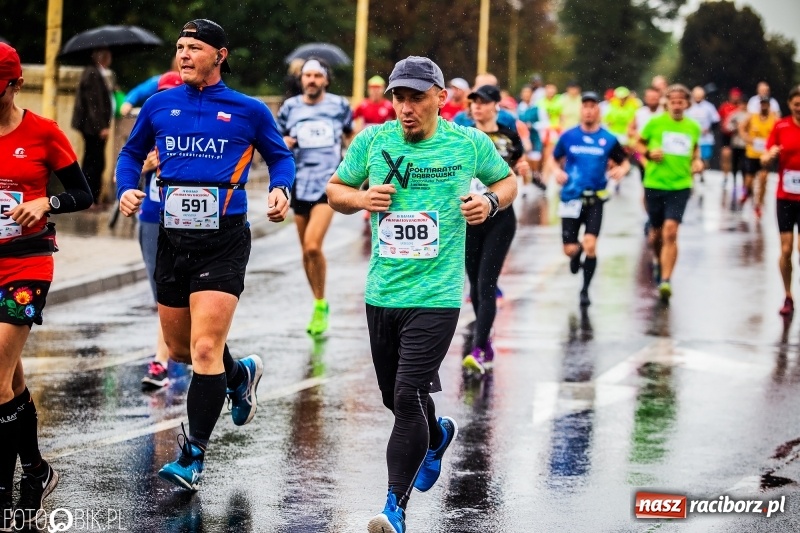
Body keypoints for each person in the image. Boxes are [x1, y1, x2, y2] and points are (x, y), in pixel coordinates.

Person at [326, 56, 517, 533]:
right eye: (398, 97)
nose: (405, 108)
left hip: (436, 297)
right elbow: (335, 190)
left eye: (415, 97)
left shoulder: (467, 142)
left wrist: (489, 201)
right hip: (383, 293)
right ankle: (437, 436)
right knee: (395, 398)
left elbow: (509, 181)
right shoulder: (373, 140)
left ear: (440, 98)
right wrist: (360, 199)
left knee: (408, 395)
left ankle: (394, 506)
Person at [116, 19, 295, 491]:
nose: (184, 54)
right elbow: (129, 154)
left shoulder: (248, 110)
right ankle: (242, 375)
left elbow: (280, 157)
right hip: (173, 238)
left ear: (220, 54)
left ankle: (193, 455)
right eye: (180, 47)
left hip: (224, 238)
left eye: (194, 47)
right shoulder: (159, 105)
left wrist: (280, 189)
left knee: (203, 349)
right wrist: (126, 189)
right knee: (179, 350)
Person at [0, 42, 93, 529]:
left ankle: (3, 490)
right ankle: (36, 470)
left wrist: (46, 205)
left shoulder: (42, 133)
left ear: (15, 84)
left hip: (26, 264)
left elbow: (83, 192)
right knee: (8, 378)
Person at [277, 57, 352, 336]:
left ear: (326, 80)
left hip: (328, 183)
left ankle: (320, 304)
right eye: (307, 76)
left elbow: (349, 137)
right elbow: (276, 142)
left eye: (316, 76)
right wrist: (282, 143)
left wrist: (356, 169)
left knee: (312, 246)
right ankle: (318, 301)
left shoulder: (339, 106)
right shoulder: (289, 109)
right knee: (305, 253)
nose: (311, 80)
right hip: (298, 183)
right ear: (301, 81)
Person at [461, 85, 524, 375]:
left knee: (486, 283)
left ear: (496, 106)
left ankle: (479, 346)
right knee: (474, 285)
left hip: (500, 218)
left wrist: (521, 170)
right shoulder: (462, 137)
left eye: (483, 102)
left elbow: (518, 165)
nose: (477, 107)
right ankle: (485, 340)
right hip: (470, 218)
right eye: (473, 102)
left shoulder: (508, 136)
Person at [546, 91, 629, 307]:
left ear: (598, 111)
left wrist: (622, 170)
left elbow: (624, 161)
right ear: (581, 110)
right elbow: (553, 160)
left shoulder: (608, 139)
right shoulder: (568, 136)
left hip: (595, 199)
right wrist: (556, 172)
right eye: (585, 107)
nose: (589, 110)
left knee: (591, 245)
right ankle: (576, 254)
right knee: (569, 249)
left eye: (593, 106)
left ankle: (585, 290)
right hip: (571, 198)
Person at [137, 71, 184, 390]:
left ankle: (164, 360)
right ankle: (169, 355)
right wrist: (145, 167)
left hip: (185, 221)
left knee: (182, 292)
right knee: (161, 291)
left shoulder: (193, 131)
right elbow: (124, 172)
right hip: (152, 218)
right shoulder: (146, 130)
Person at [635, 84, 704, 302]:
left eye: (680, 101)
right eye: (672, 101)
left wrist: (697, 162)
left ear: (687, 104)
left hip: (680, 185)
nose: (676, 105)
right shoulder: (655, 123)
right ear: (667, 103)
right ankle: (658, 261)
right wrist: (647, 154)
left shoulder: (693, 126)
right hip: (655, 183)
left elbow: (695, 150)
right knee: (655, 234)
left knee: (671, 232)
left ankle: (666, 279)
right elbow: (637, 143)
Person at [760, 86, 800, 316]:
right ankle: (788, 296)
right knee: (785, 250)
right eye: (796, 103)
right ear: (789, 104)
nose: (799, 107)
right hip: (785, 197)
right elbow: (764, 158)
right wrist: (770, 156)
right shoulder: (780, 126)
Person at [71, 47, 113, 205]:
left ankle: (91, 196)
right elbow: (93, 104)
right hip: (92, 128)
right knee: (94, 163)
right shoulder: (92, 73)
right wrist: (100, 126)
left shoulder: (96, 73)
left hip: (92, 127)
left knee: (94, 162)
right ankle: (90, 197)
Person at [740, 96, 779, 218]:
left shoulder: (775, 119)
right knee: (749, 180)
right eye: (762, 104)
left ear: (769, 105)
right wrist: (747, 139)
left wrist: (774, 145)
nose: (764, 106)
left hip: (765, 155)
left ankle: (758, 205)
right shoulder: (752, 117)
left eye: (766, 104)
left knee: (763, 179)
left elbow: (780, 132)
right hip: (752, 153)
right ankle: (746, 192)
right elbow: (741, 127)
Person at [684, 86, 720, 181]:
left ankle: (702, 174)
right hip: (691, 138)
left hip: (705, 139)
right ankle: (691, 177)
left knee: (704, 159)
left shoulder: (709, 107)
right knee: (692, 158)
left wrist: (708, 129)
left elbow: (716, 121)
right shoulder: (688, 107)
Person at [718, 88, 744, 185]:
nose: (735, 97)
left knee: (737, 158)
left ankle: (737, 177)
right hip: (726, 135)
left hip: (738, 137)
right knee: (725, 155)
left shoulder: (741, 108)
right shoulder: (725, 106)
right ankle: (725, 176)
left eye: (737, 96)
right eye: (734, 95)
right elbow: (719, 119)